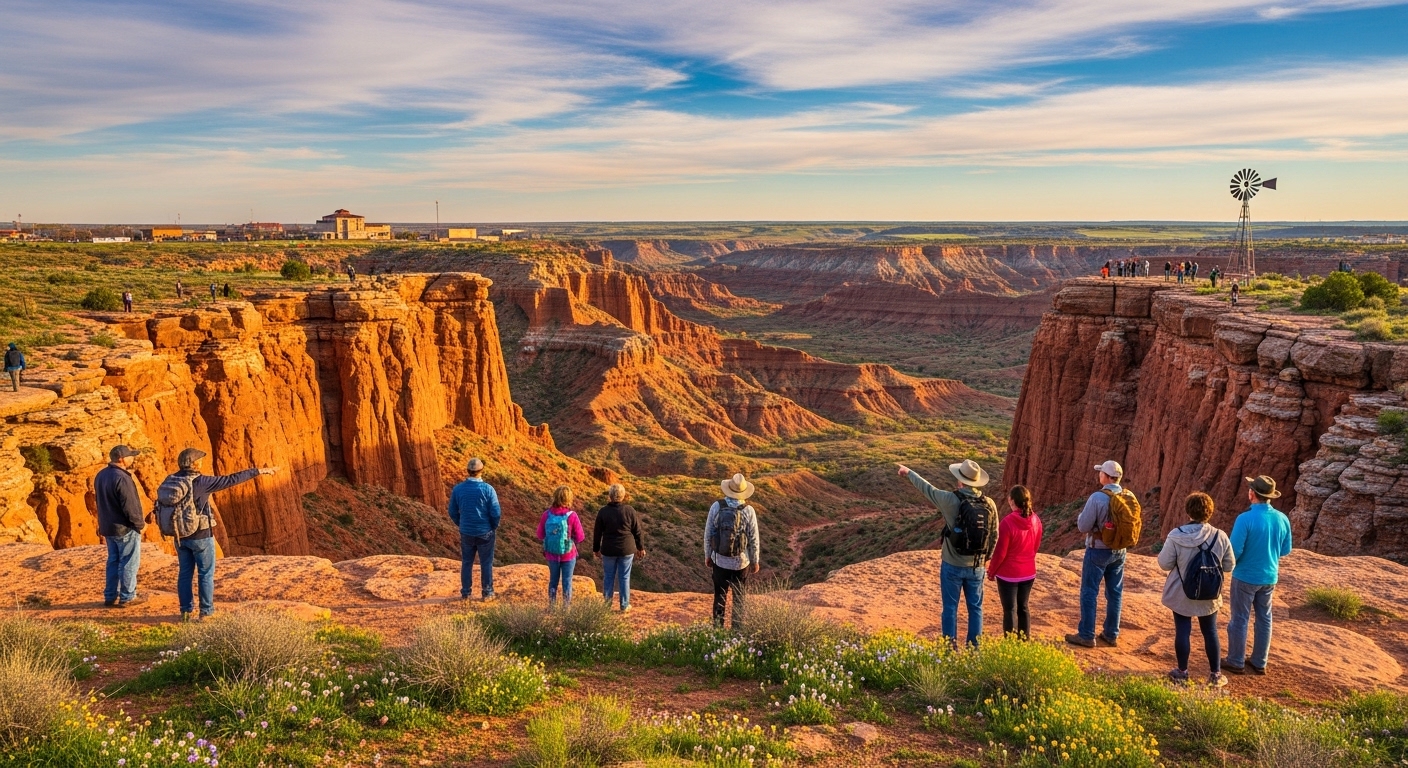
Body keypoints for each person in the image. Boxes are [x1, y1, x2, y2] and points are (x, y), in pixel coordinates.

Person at [167, 448, 277, 621]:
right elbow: (230, 480)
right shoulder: (201, 481)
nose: (202, 462)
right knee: (205, 574)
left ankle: (186, 612)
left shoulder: (171, 480)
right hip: (200, 535)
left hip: (179, 536)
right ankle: (206, 612)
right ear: (194, 464)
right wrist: (258, 471)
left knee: (185, 574)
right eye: (199, 460)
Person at [898, 459, 998, 647]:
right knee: (976, 608)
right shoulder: (989, 503)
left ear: (960, 481)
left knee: (950, 608)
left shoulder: (950, 499)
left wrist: (909, 472)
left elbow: (927, 488)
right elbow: (994, 534)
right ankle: (974, 647)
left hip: (952, 565)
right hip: (977, 566)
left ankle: (949, 647)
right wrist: (986, 558)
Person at [1158, 492, 1235, 687]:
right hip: (1209, 593)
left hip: (1182, 593)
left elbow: (1165, 564)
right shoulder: (1220, 535)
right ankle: (1215, 675)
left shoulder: (1176, 536)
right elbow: (1229, 566)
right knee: (1210, 631)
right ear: (1209, 512)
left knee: (1183, 630)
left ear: (1188, 511)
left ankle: (1182, 672)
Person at [1223, 476, 1293, 676]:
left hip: (1245, 576)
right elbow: (1285, 550)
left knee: (1239, 619)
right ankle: (1259, 661)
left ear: (1252, 494)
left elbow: (1234, 551)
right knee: (1264, 618)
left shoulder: (1244, 519)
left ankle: (1236, 661)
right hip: (1269, 577)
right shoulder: (1282, 518)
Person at [1066, 460, 1136, 648]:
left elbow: (1083, 526)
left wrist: (1081, 516)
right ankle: (1111, 633)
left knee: (1089, 591)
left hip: (1098, 550)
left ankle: (1087, 634)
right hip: (1120, 551)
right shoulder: (1127, 495)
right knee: (1115, 593)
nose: (1099, 475)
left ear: (1106, 476)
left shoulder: (1098, 497)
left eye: (1100, 473)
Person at [705, 473, 761, 629]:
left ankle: (717, 631)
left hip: (719, 560)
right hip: (740, 563)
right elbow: (753, 538)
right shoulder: (748, 510)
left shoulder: (717, 506)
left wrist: (708, 555)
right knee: (739, 598)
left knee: (720, 596)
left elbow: (708, 533)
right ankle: (737, 633)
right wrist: (755, 560)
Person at [987, 485, 1043, 639]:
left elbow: (1000, 553)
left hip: (1008, 575)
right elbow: (1035, 546)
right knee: (1023, 607)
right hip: (1028, 573)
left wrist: (992, 571)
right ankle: (1024, 641)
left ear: (1012, 501)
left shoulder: (1007, 523)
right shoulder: (1036, 520)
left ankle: (1011, 645)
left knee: (1010, 609)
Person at [96, 445, 146, 607]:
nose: (133, 458)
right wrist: (139, 524)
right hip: (125, 528)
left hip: (108, 526)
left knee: (113, 561)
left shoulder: (101, 475)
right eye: (130, 456)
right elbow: (129, 505)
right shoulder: (122, 478)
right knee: (128, 561)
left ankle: (110, 595)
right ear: (121, 459)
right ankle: (128, 596)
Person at [448, 457, 501, 601]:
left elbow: (452, 511)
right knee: (486, 562)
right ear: (481, 471)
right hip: (485, 532)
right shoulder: (488, 489)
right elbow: (496, 512)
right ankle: (487, 593)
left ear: (468, 471)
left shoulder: (458, 489)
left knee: (466, 562)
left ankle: (466, 593)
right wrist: (493, 526)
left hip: (466, 532)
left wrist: (461, 523)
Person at [593, 483, 645, 612]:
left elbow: (597, 532)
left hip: (608, 550)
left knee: (608, 576)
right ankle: (624, 605)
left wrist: (596, 549)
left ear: (610, 496)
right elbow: (637, 531)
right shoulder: (629, 510)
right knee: (624, 577)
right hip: (626, 550)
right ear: (623, 496)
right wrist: (640, 547)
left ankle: (606, 606)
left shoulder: (603, 511)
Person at [538, 485, 585, 606]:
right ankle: (566, 609)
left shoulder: (546, 514)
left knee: (553, 581)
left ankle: (552, 606)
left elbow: (540, 534)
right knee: (567, 581)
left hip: (551, 554)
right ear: (569, 499)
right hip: (568, 554)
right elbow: (580, 537)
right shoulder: (572, 515)